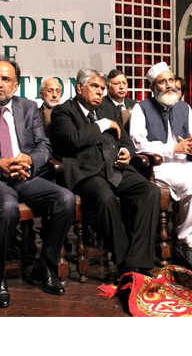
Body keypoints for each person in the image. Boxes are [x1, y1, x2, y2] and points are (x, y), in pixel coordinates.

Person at [0, 56, 75, 308]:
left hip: (25, 177)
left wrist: (28, 159)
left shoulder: (28, 108)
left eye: (5, 79)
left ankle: (45, 266)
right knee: (7, 206)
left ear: (16, 85)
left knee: (65, 198)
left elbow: (44, 146)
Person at [49, 68, 160, 278]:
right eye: (94, 87)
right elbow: (73, 140)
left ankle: (137, 261)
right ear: (79, 88)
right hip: (85, 172)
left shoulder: (107, 110)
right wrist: (103, 124)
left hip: (114, 167)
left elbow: (125, 139)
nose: (100, 92)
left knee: (150, 192)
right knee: (106, 198)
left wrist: (127, 152)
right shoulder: (63, 111)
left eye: (101, 88)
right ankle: (125, 262)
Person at [130, 62, 192, 270]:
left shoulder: (184, 107)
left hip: (186, 163)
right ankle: (187, 240)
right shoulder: (140, 108)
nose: (169, 85)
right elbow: (138, 144)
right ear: (152, 88)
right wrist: (173, 149)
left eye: (171, 80)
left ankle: (189, 243)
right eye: (162, 82)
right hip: (160, 167)